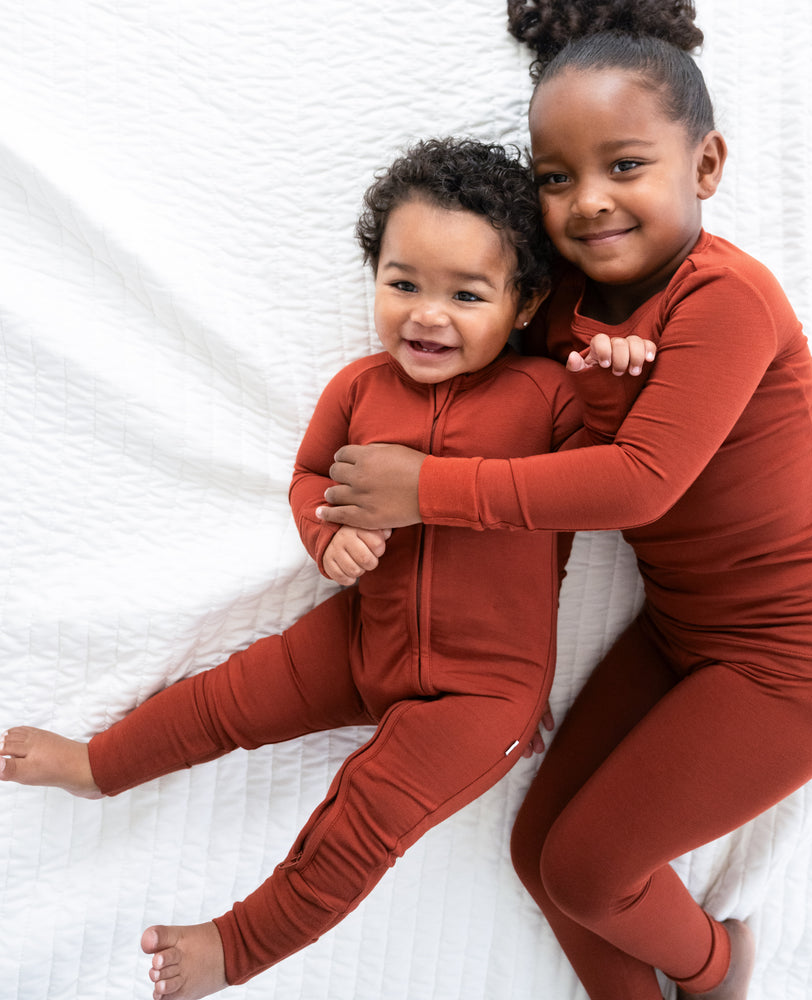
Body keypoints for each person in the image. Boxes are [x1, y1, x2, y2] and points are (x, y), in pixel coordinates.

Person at [0, 136, 647, 1000]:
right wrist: (324, 535)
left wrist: (615, 380)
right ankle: (99, 764)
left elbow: (601, 479)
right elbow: (312, 476)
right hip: (361, 634)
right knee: (226, 695)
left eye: (467, 294)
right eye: (403, 283)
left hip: (483, 692)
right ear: (374, 273)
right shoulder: (359, 388)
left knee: (361, 813)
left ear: (525, 301)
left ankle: (237, 947)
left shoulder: (544, 397)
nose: (428, 315)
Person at [314, 3, 812, 999]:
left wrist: (424, 489)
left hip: (790, 659)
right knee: (541, 852)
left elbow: (637, 481)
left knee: (587, 868)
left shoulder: (727, 299)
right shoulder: (563, 302)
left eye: (625, 167)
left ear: (704, 168)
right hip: (679, 634)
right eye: (555, 178)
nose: (587, 203)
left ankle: (714, 970)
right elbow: (501, 395)